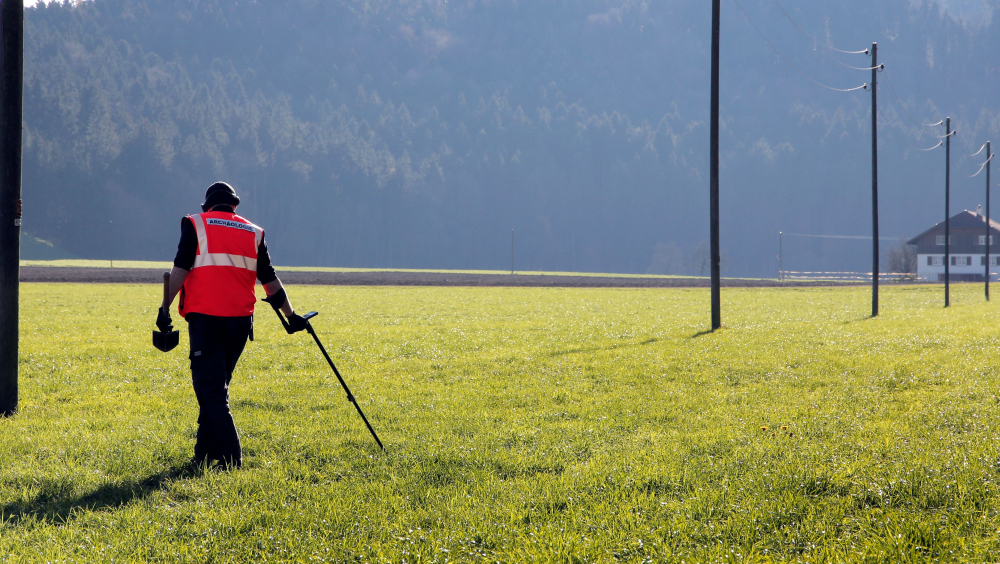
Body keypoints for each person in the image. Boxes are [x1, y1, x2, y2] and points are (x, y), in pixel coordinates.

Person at [155, 181, 308, 469]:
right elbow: (270, 280)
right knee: (215, 388)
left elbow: (180, 269)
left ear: (207, 206)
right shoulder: (254, 232)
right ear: (235, 205)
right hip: (240, 324)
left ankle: (230, 459)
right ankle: (202, 457)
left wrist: (164, 308)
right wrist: (291, 315)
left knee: (210, 390)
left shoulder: (196, 224)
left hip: (206, 319)